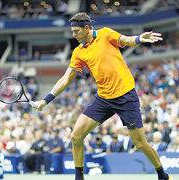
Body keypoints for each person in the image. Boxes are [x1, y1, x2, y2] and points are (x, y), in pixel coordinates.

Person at [34, 12, 172, 180]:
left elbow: (126, 40)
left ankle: (162, 175)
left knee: (140, 143)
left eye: (76, 31)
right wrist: (46, 99)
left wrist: (138, 39)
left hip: (125, 96)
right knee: (76, 136)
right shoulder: (78, 52)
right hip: (104, 99)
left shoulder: (105, 34)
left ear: (86, 28)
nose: (73, 35)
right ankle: (79, 177)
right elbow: (66, 78)